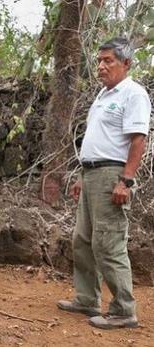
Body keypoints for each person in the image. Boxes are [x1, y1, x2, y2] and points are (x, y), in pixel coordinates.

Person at [57, 37, 152, 329]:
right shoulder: (103, 95)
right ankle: (87, 299)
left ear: (126, 63)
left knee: (108, 243)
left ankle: (124, 309)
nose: (101, 66)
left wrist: (126, 180)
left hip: (113, 175)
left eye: (108, 60)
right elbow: (98, 141)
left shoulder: (132, 94)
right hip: (92, 174)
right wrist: (83, 177)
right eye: (99, 61)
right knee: (82, 240)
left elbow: (138, 139)